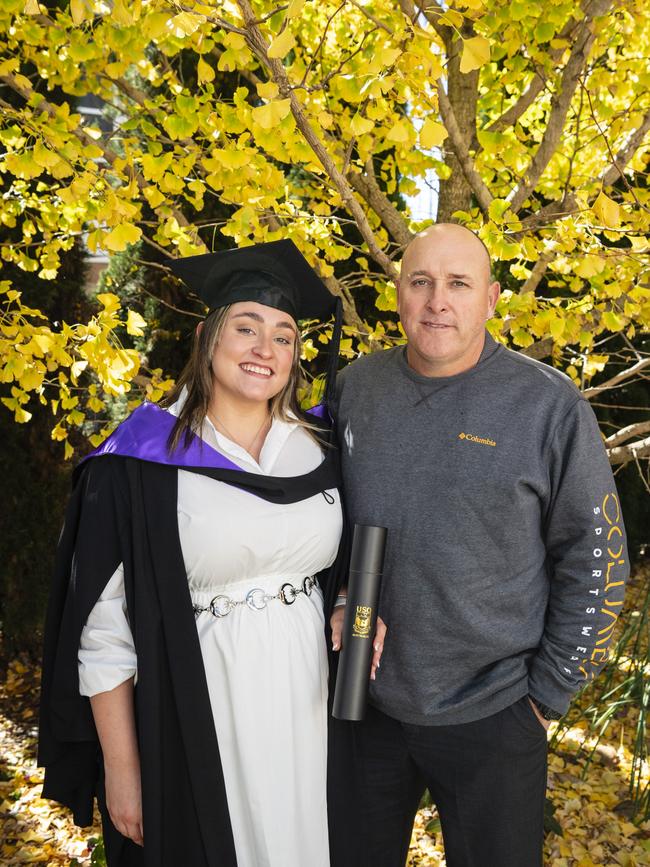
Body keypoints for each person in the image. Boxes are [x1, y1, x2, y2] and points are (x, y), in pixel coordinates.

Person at [39, 239, 352, 867]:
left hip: (310, 705)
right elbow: (102, 636)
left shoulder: (321, 448)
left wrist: (348, 600)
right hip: (197, 701)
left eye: (285, 336)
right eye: (247, 327)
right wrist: (124, 772)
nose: (266, 350)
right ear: (209, 337)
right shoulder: (139, 459)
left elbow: (345, 566)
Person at [331, 223, 629, 867]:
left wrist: (547, 697)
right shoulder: (355, 390)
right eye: (421, 281)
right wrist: (341, 597)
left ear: (491, 299)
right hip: (366, 703)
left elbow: (596, 556)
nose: (439, 300)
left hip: (494, 710)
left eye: (459, 284)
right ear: (399, 295)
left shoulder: (547, 405)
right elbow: (326, 523)